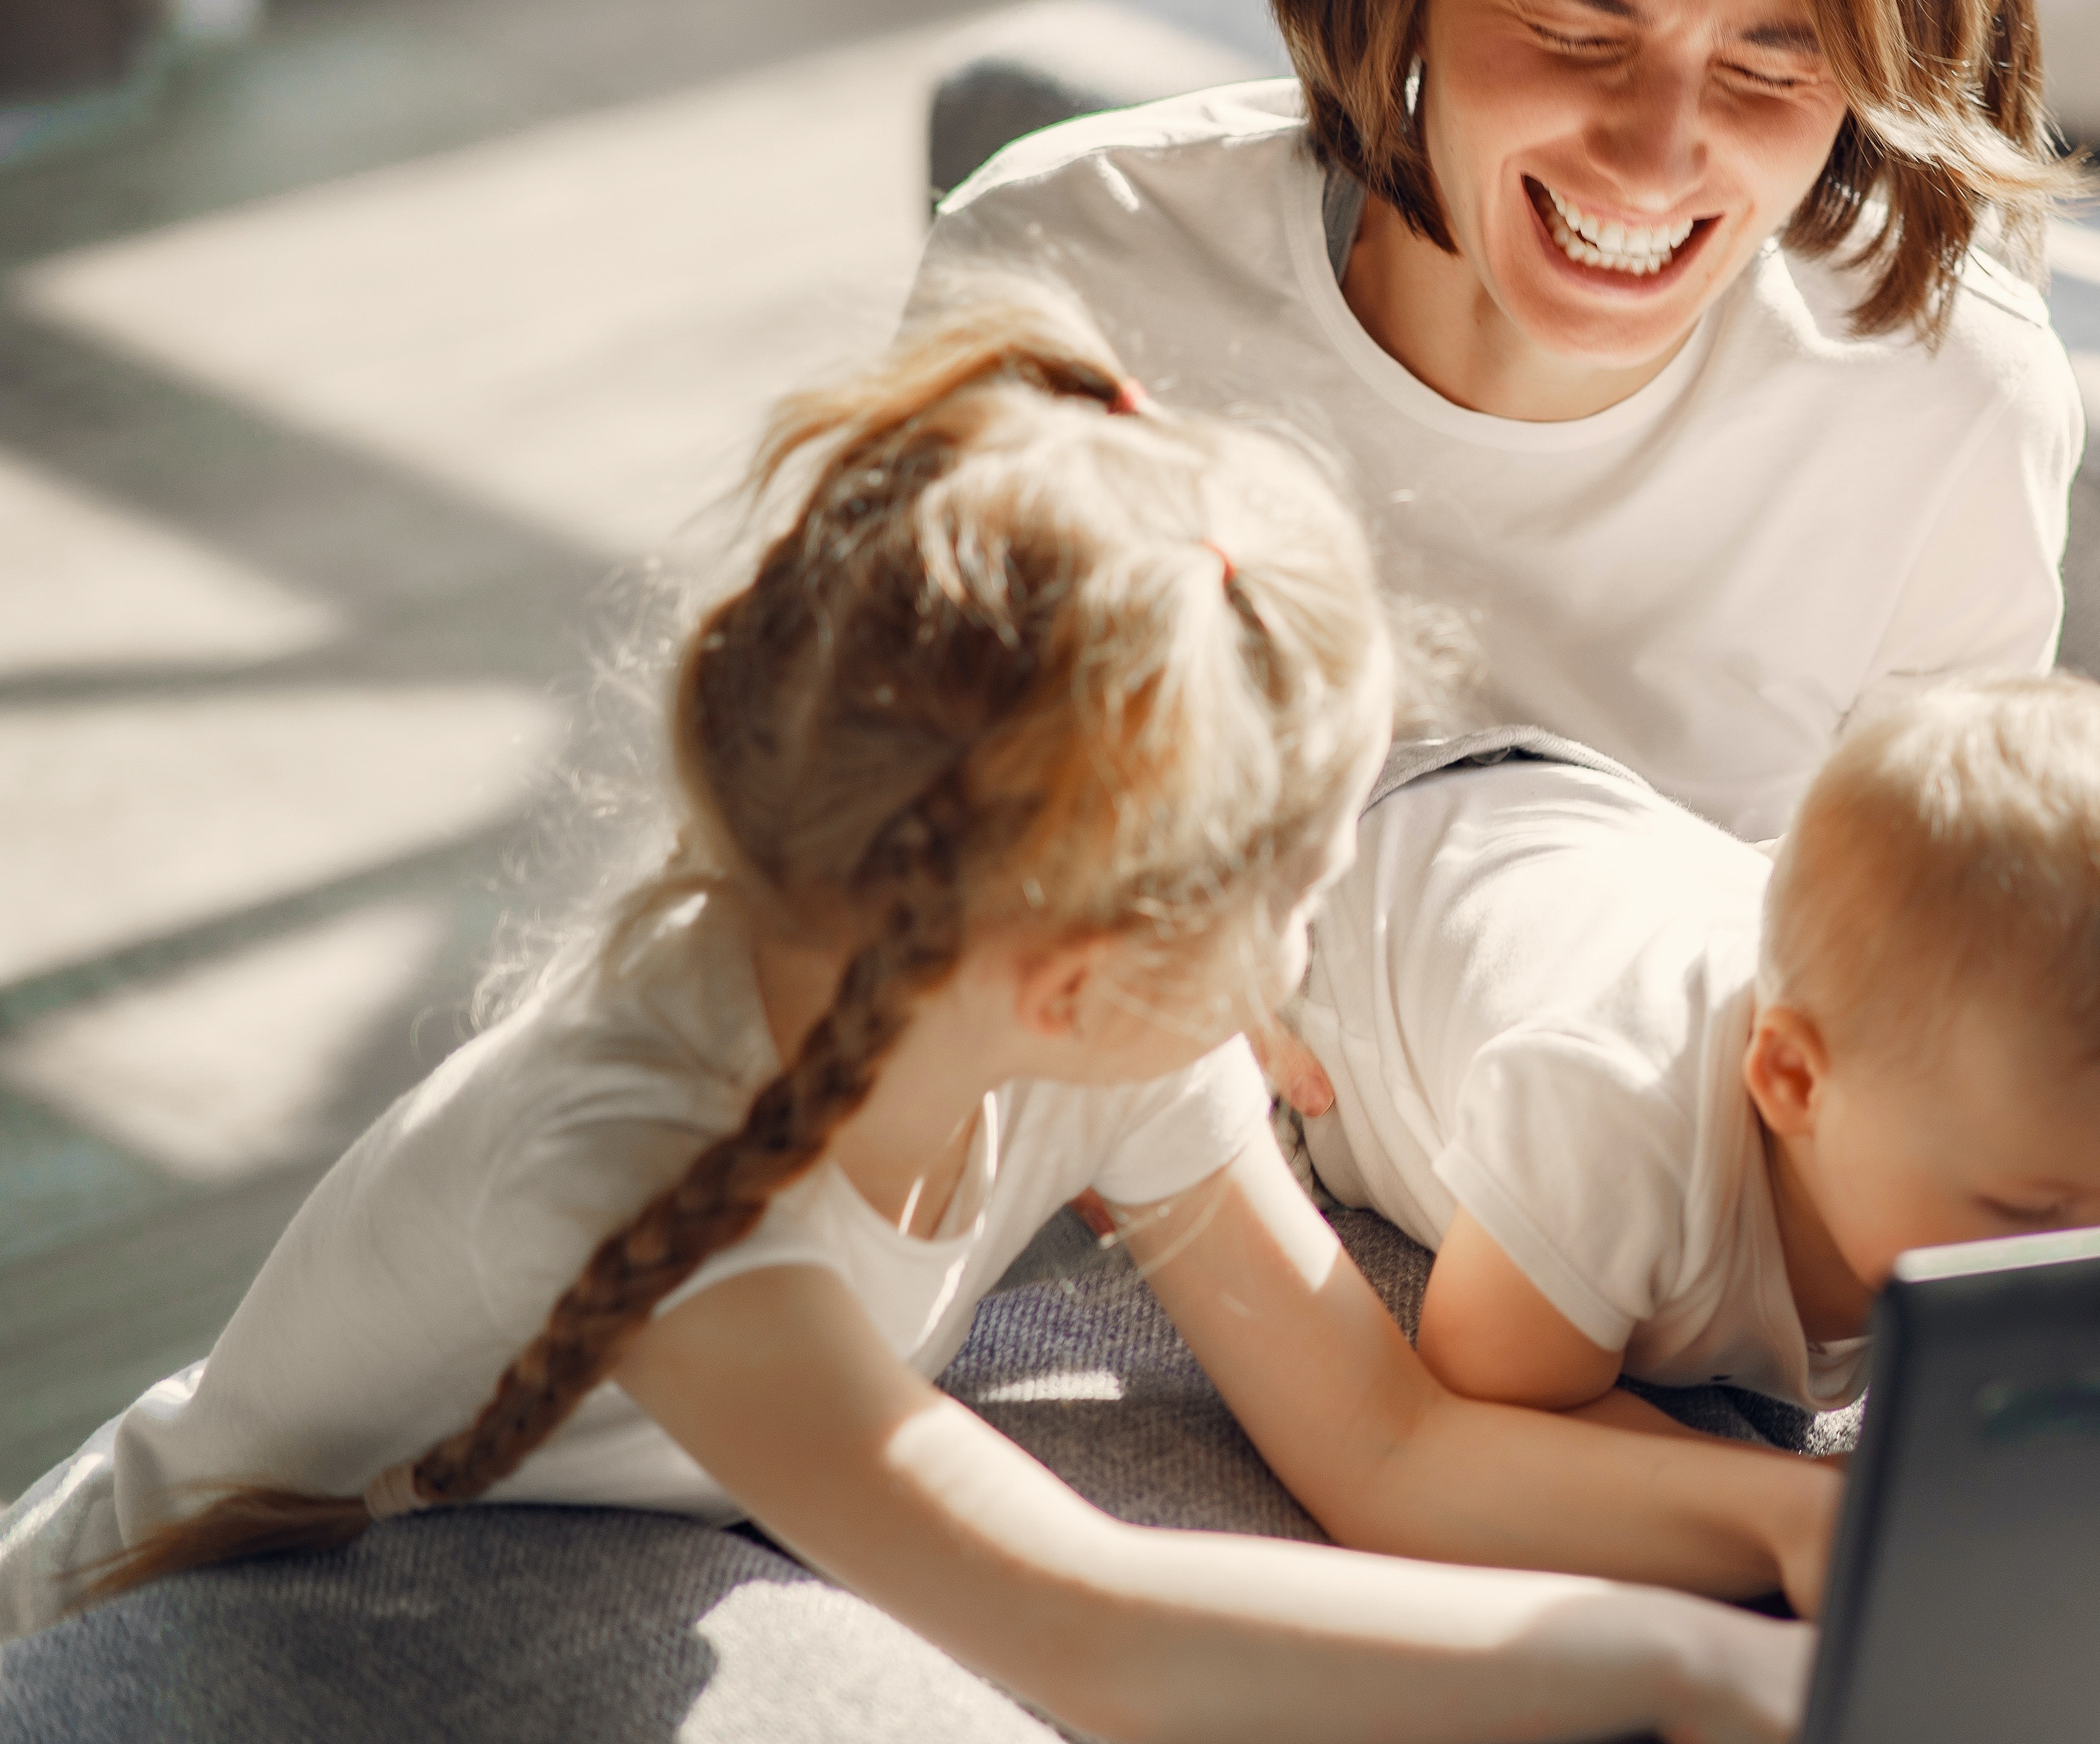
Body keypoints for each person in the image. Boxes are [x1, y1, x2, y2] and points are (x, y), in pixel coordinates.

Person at [0, 291, 1823, 1744]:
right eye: (1305, 881)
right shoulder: (639, 1168)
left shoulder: (1094, 1023)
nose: (1327, 925)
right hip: (144, 1623)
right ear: (1083, 970)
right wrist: (1674, 1672)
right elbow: (1092, 1633)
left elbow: (1385, 1444)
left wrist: (1788, 1530)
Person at [922, 0, 2083, 847]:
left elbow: (1924, 1003)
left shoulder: (1946, 410)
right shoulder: (1072, 273)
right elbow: (871, 859)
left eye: (1771, 66)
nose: (1654, 159)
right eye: (1575, 32)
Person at [1295, 679, 2100, 1417]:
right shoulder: (1618, 1118)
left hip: (1614, 853)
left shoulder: (2030, 1149)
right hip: (1338, 877)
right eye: (2032, 1208)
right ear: (1793, 1079)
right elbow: (1487, 1409)